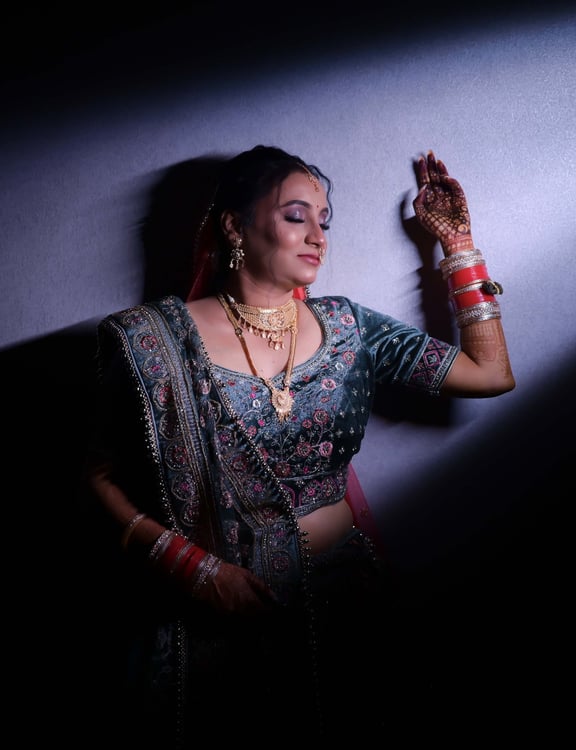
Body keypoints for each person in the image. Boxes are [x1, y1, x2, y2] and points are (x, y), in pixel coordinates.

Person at [84, 145, 514, 747]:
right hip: (220, 612)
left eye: (324, 221)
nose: (318, 236)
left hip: (346, 607)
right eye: (295, 216)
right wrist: (194, 570)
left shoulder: (348, 328)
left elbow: (490, 374)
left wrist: (458, 247)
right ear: (234, 225)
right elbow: (97, 476)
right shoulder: (149, 341)